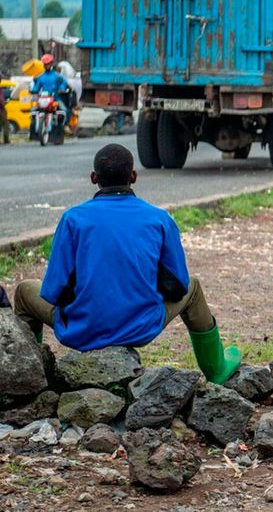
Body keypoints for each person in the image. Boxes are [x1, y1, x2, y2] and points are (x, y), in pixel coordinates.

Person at [8, 144, 242, 383]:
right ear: (133, 177)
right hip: (140, 328)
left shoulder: (73, 219)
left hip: (82, 330)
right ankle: (216, 369)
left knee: (25, 290)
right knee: (193, 288)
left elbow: (53, 290)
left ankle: (32, 377)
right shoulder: (159, 219)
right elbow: (179, 285)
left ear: (93, 178)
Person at [30, 54, 71, 139]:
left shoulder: (58, 76)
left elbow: (64, 83)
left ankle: (63, 126)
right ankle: (35, 128)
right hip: (43, 100)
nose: (46, 65)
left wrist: (62, 89)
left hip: (55, 99)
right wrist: (33, 90)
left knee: (64, 110)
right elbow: (36, 86)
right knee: (33, 111)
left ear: (51, 64)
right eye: (45, 64)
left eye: (48, 64)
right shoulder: (41, 77)